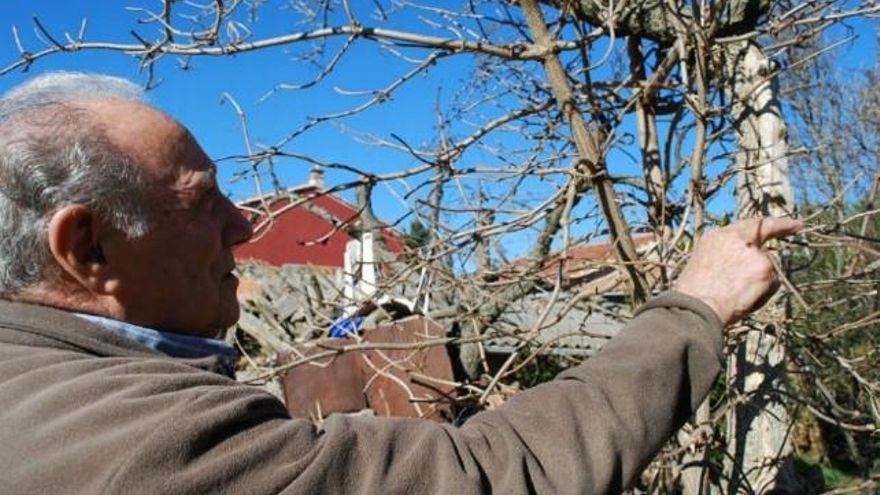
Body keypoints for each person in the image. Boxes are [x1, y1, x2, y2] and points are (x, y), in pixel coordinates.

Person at [0, 72, 801, 494]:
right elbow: (494, 475)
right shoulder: (149, 449)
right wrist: (694, 302)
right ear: (89, 247)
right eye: (202, 202)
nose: (244, 226)